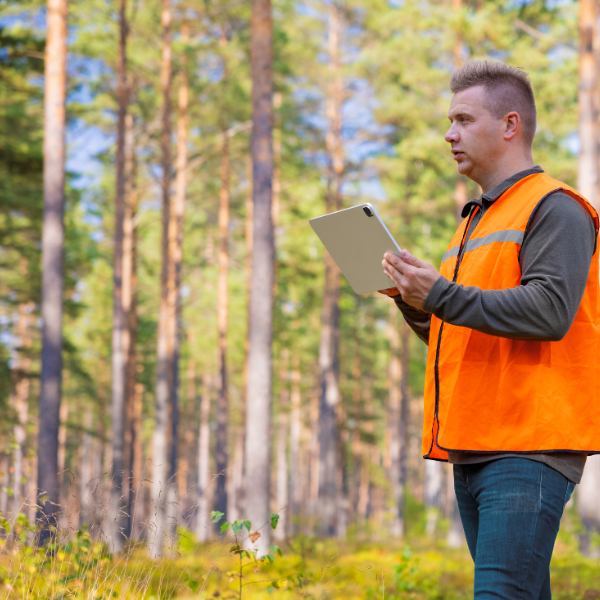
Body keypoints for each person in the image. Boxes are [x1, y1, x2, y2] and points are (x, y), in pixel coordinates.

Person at [379, 60, 600, 599]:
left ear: (509, 125)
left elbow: (548, 311)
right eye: (448, 121)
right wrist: (414, 303)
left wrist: (438, 294)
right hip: (475, 443)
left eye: (463, 119)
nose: (448, 134)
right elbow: (462, 330)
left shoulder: (555, 209)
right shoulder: (475, 221)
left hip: (527, 445)